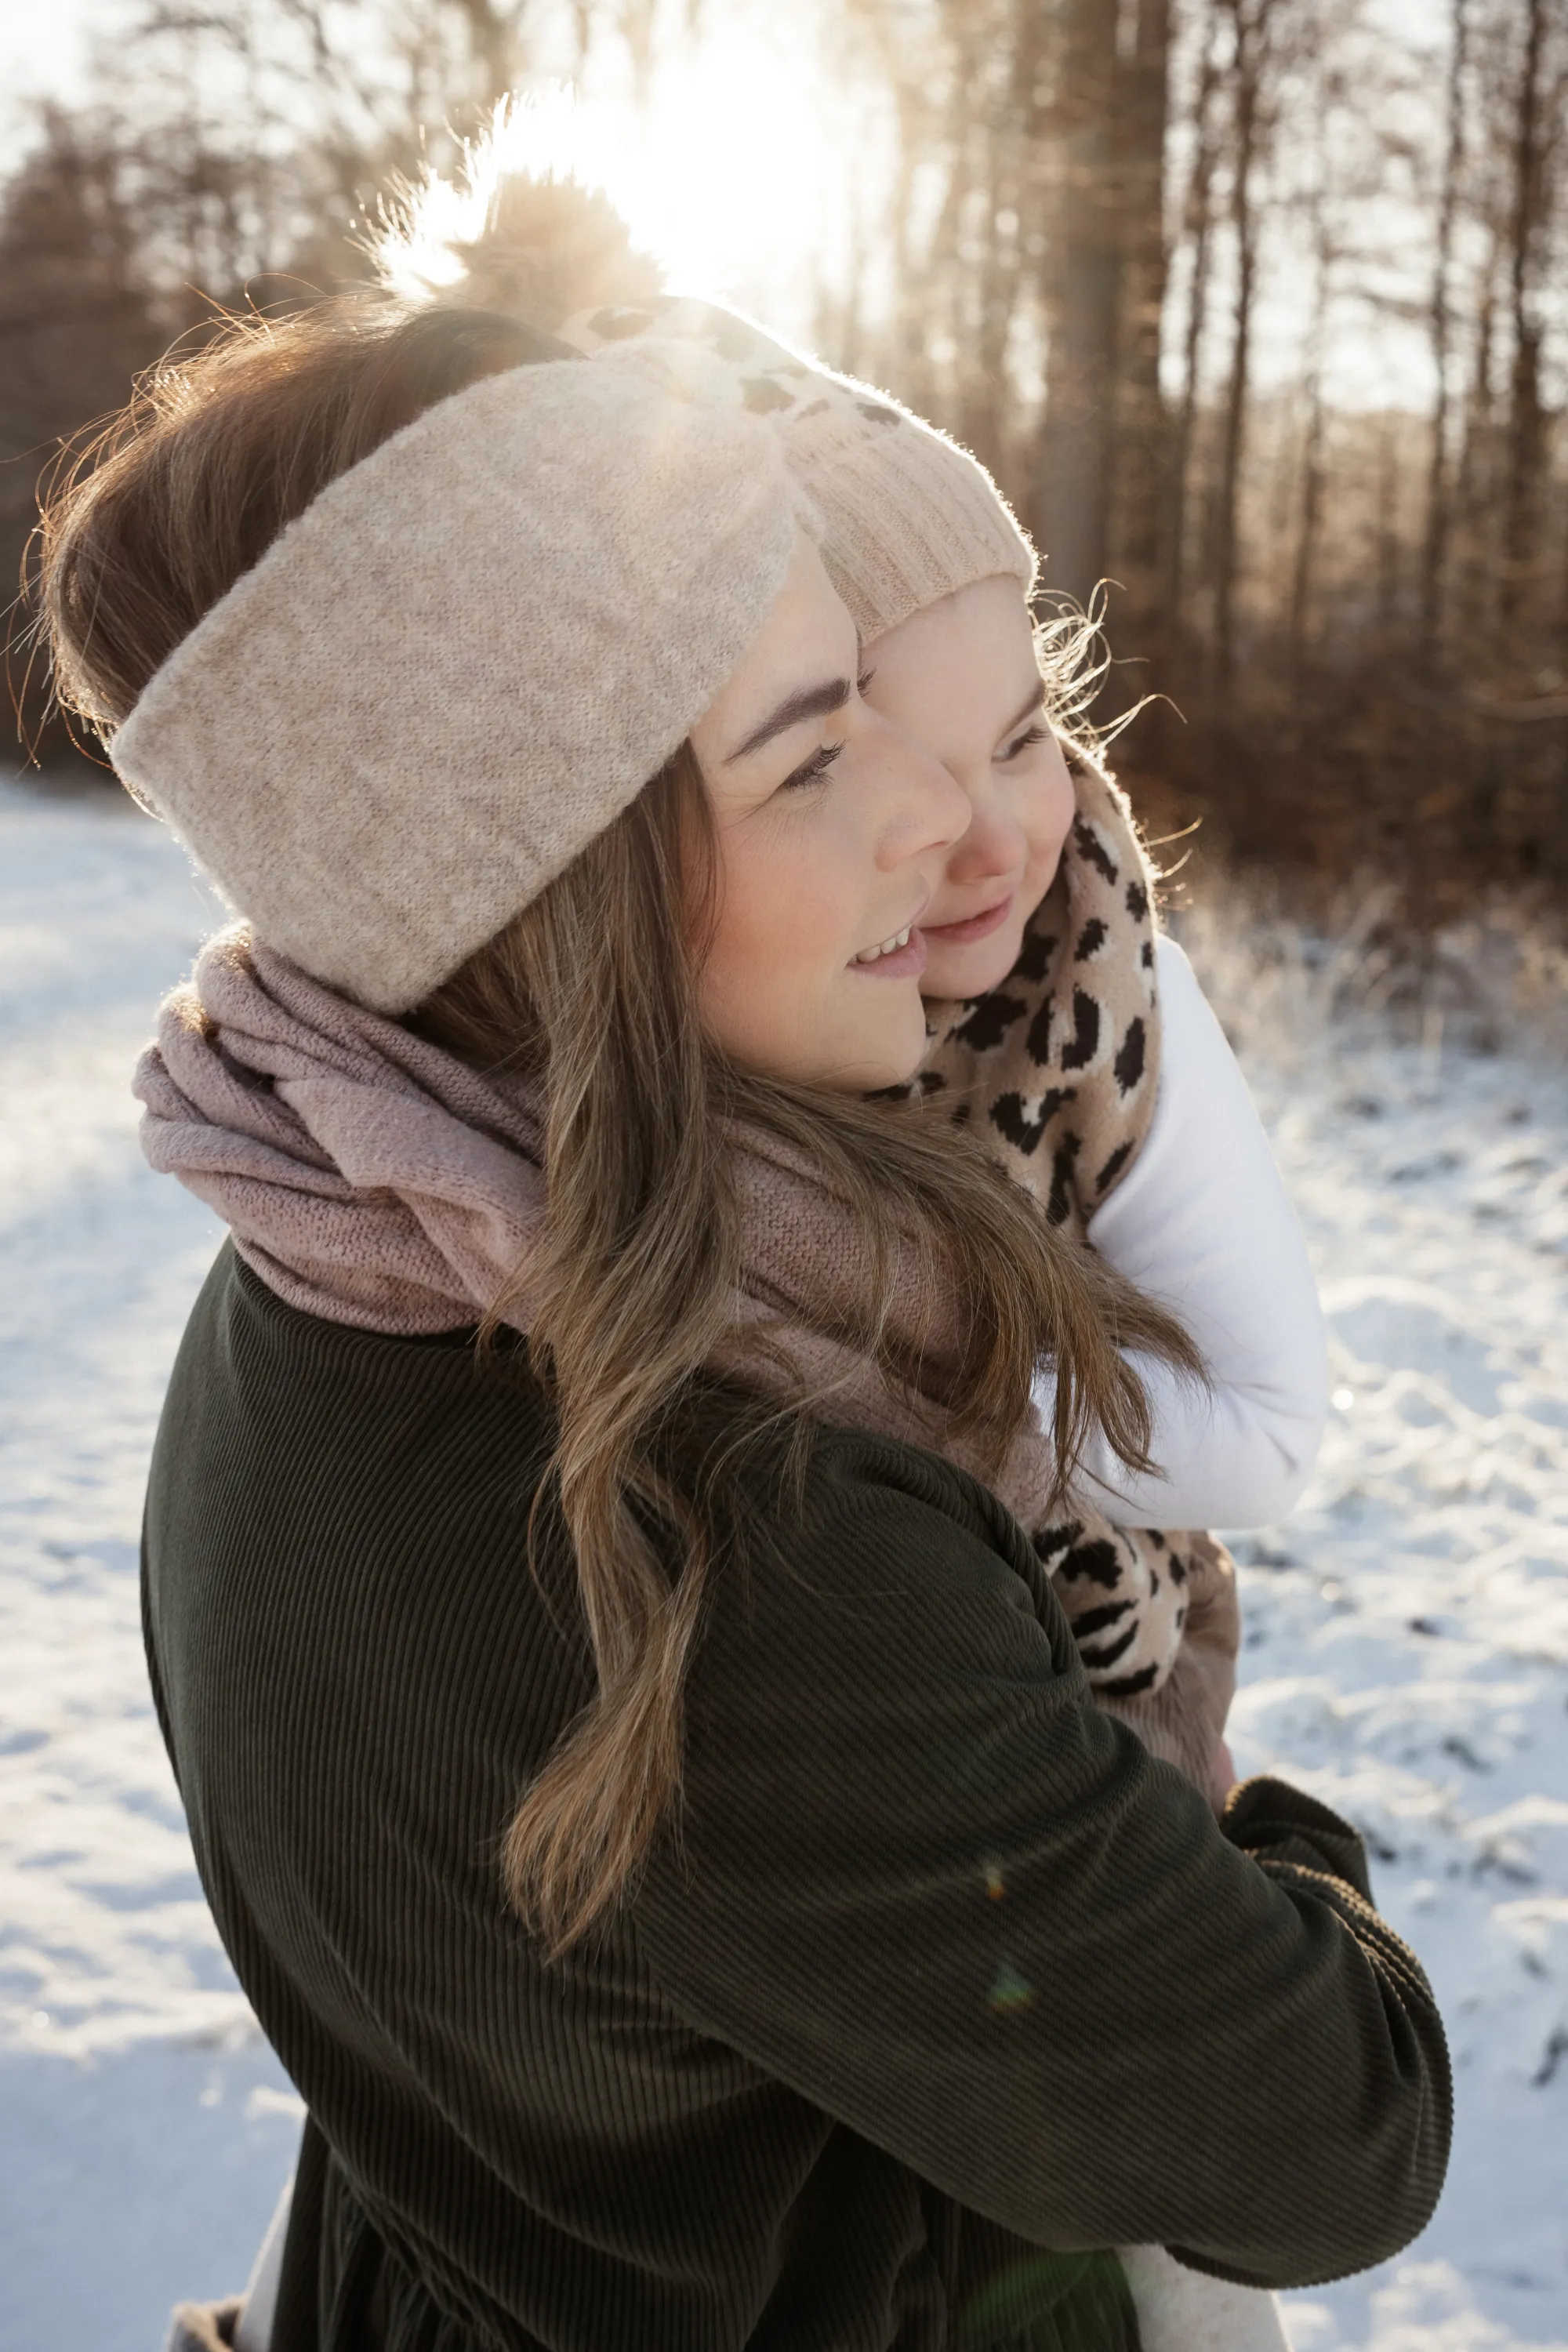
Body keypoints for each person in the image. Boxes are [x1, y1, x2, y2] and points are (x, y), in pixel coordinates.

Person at [40, 234, 1447, 2352]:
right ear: (555, 897)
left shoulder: (314, 1256)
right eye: (809, 758)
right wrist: (1254, 1830)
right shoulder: (724, 1527)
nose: (936, 826)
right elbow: (1332, 2134)